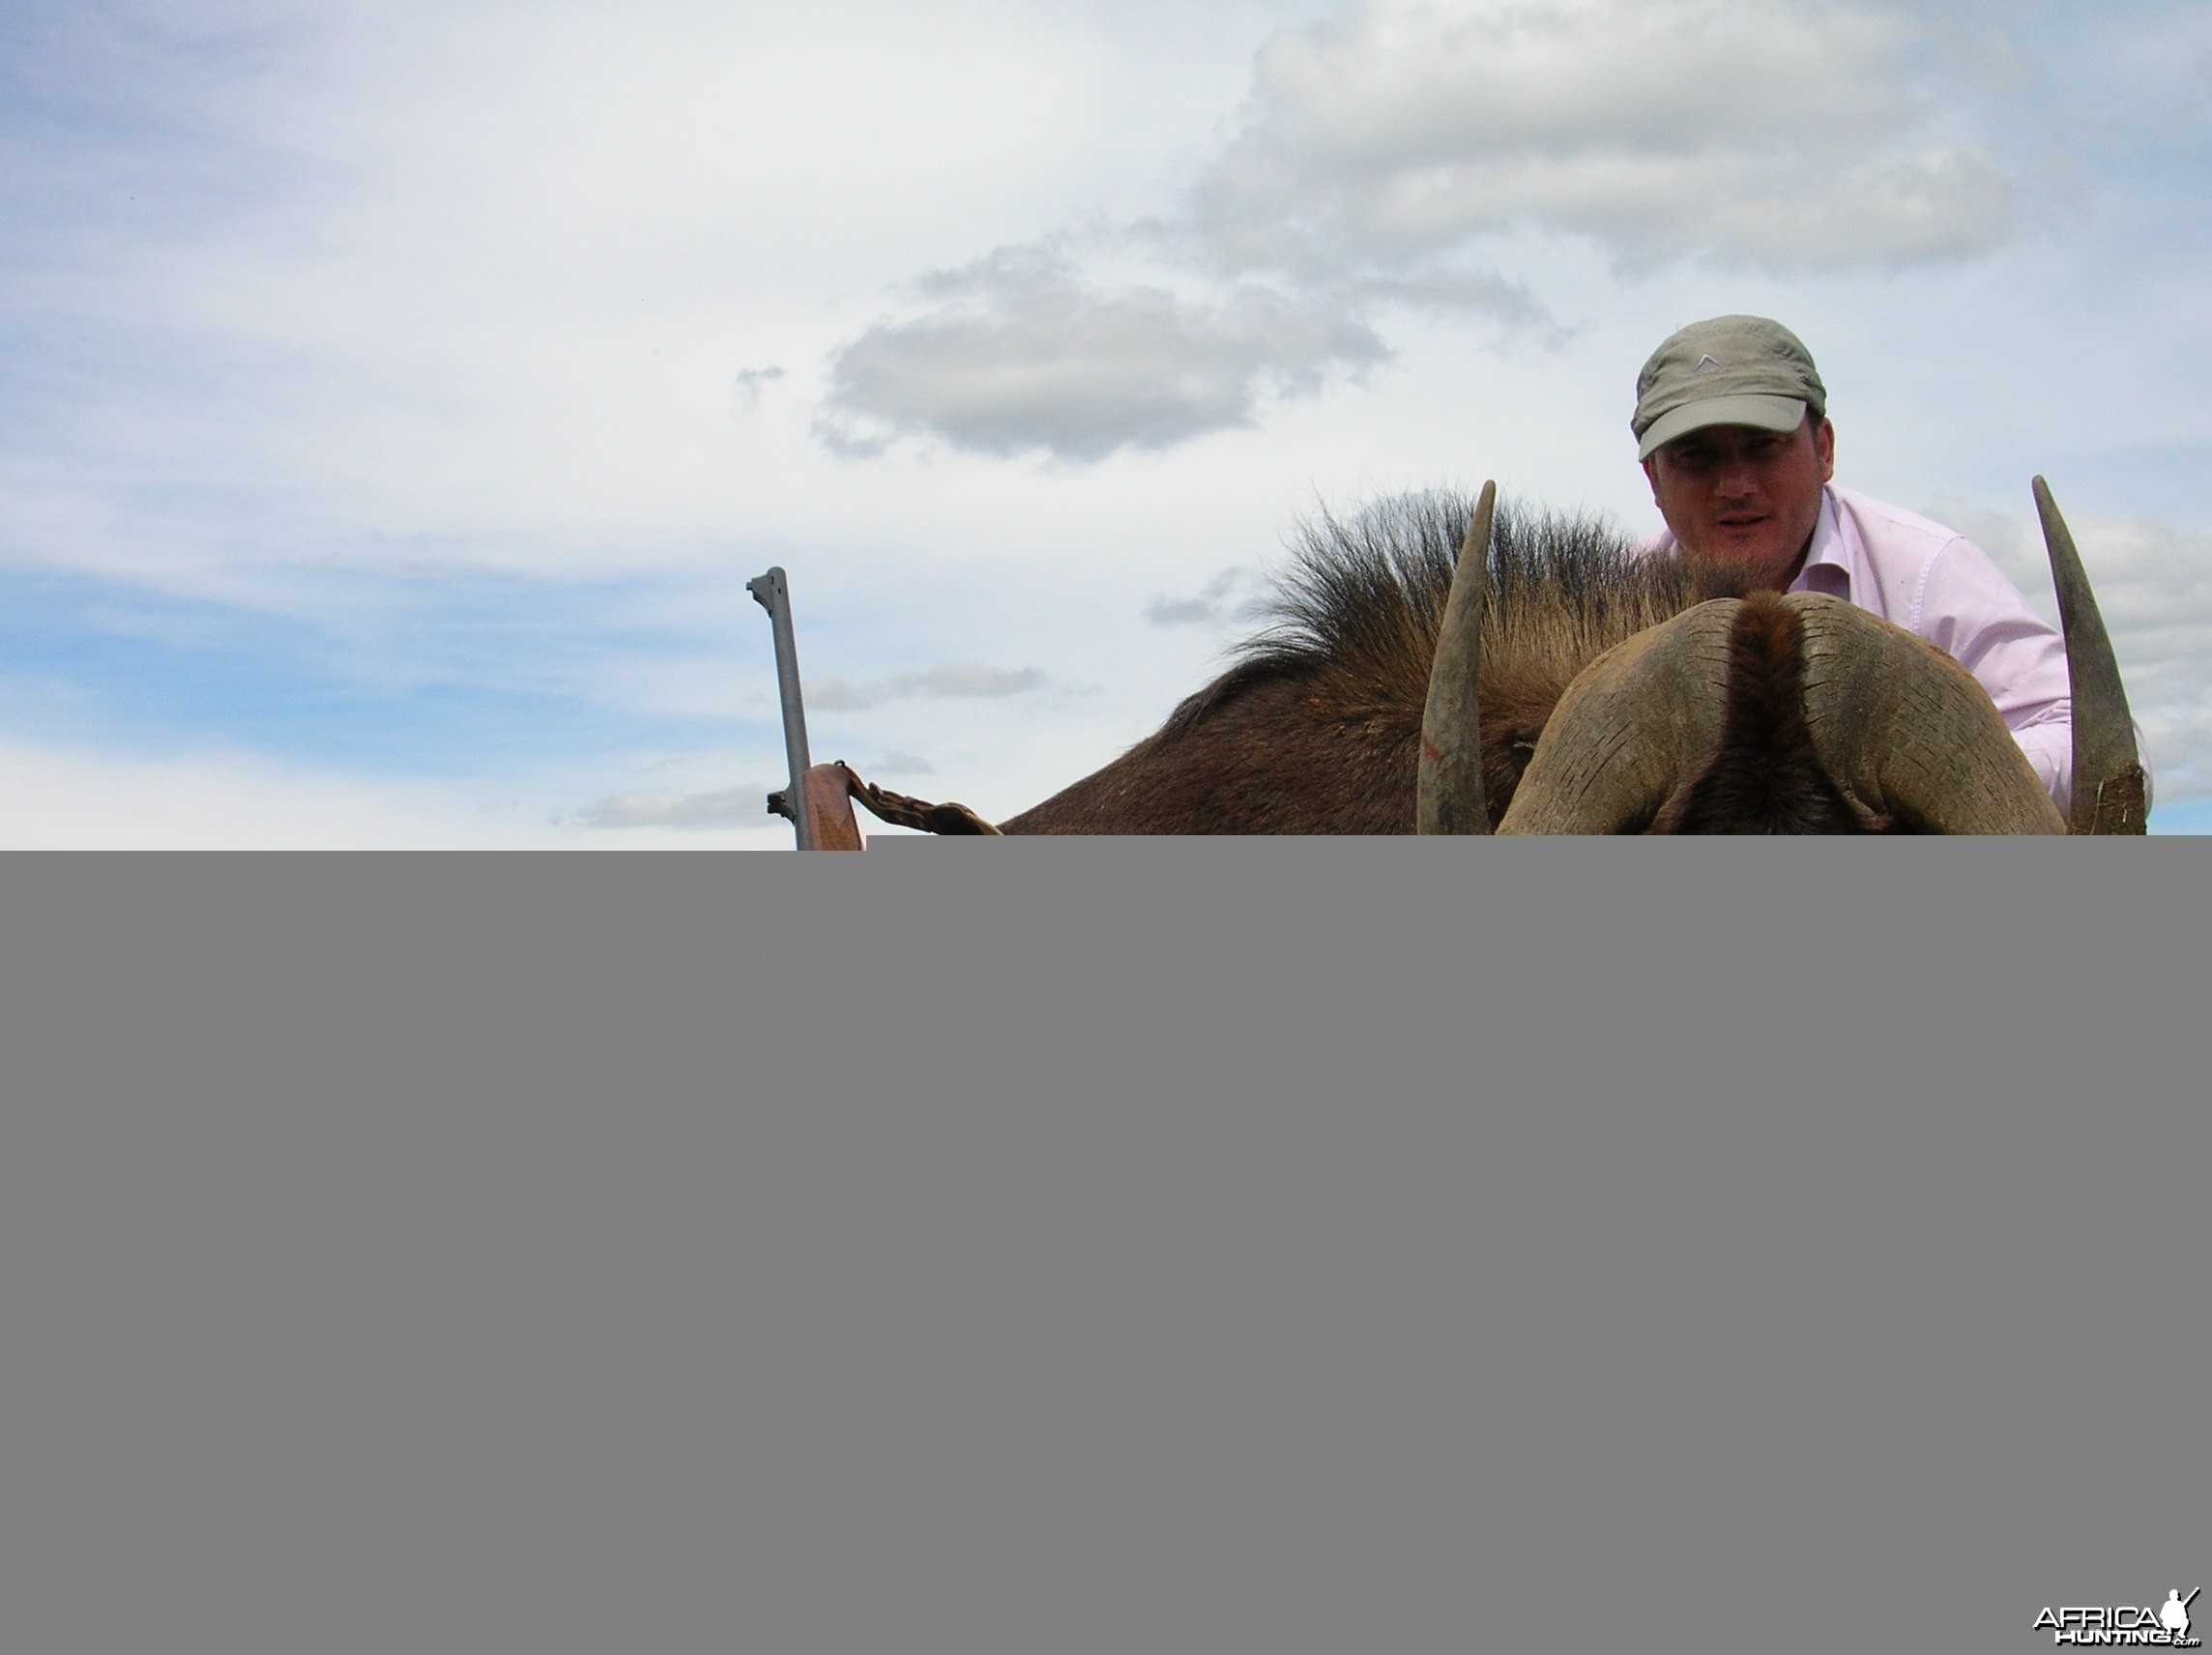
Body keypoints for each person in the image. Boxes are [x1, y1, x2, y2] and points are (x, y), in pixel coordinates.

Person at [1631, 314, 2074, 812]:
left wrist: (1931, 774)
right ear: (1653, 479)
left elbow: (2080, 739)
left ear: (1823, 450)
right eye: (1696, 457)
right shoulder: (1615, 605)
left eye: (1762, 447)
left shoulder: (1926, 570)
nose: (1735, 486)